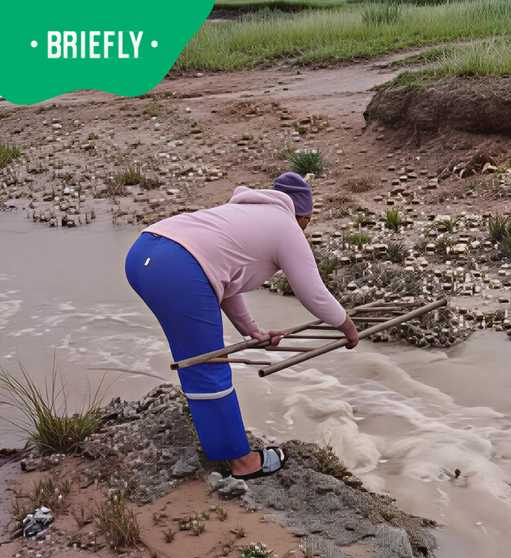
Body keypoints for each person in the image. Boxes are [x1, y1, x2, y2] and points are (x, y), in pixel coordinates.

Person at [124, 172, 361, 479]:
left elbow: (221, 280)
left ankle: (218, 441)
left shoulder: (244, 212)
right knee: (209, 365)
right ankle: (241, 461)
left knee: (198, 359)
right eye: (308, 222)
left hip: (145, 251)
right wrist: (348, 327)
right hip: (178, 268)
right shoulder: (286, 227)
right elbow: (312, 292)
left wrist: (252, 332)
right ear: (304, 215)